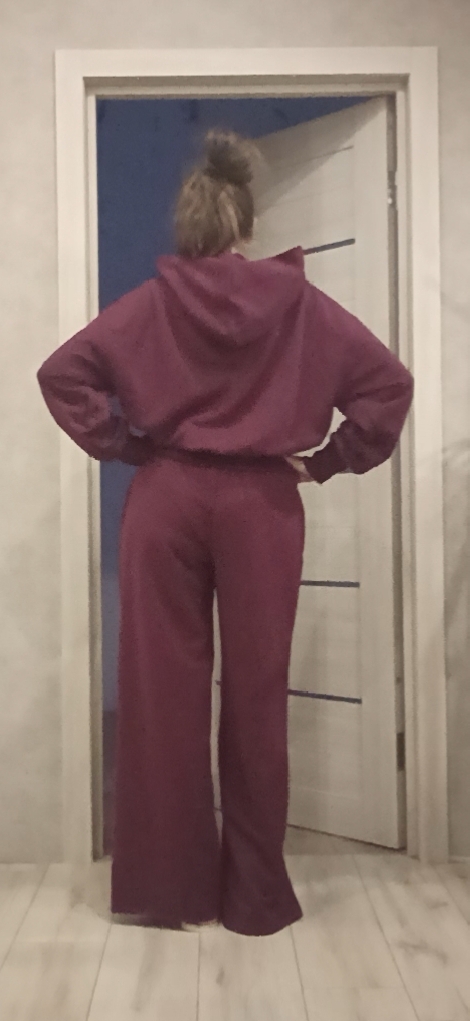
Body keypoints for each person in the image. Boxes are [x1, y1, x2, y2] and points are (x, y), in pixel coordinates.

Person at [38, 129, 413, 937]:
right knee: (257, 697)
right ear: (247, 221)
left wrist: (130, 445)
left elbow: (62, 374)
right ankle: (254, 897)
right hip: (261, 509)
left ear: (191, 223)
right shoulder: (302, 306)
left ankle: (169, 889)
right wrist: (327, 461)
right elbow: (389, 388)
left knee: (160, 696)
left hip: (167, 499)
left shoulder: (151, 304)